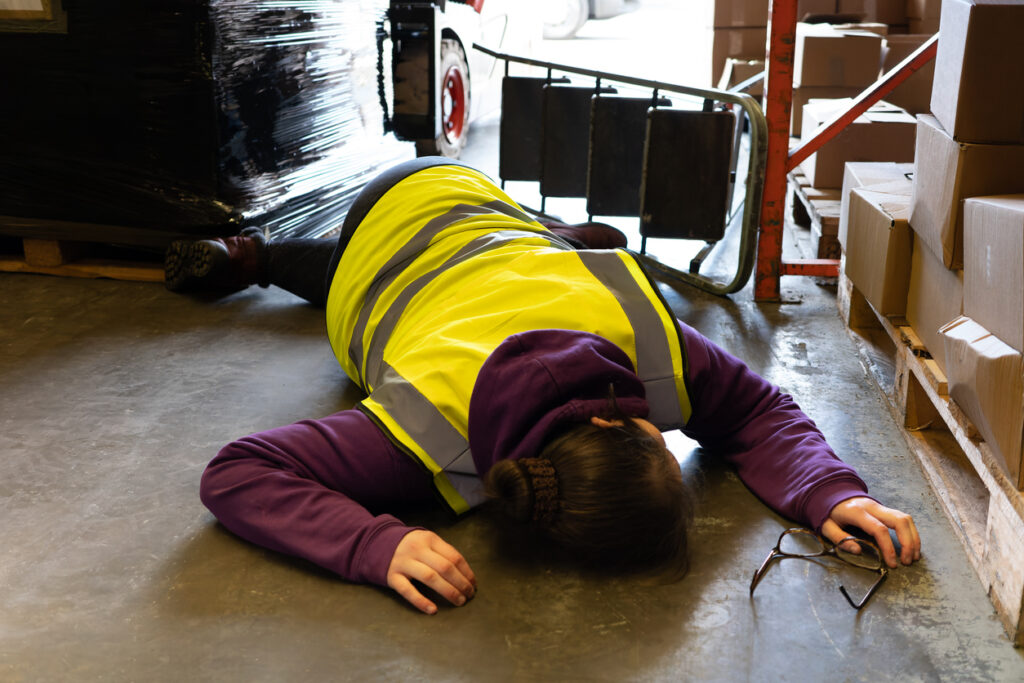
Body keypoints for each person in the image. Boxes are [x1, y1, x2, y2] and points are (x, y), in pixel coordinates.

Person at [184, 157, 921, 615]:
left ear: (605, 425)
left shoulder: (642, 339)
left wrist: (829, 487)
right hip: (388, 222)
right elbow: (237, 472)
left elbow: (754, 411)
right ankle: (258, 258)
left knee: (555, 246)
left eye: (656, 436)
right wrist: (373, 543)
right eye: (669, 435)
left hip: (470, 213)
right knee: (373, 262)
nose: (668, 423)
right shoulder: (422, 437)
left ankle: (566, 238)